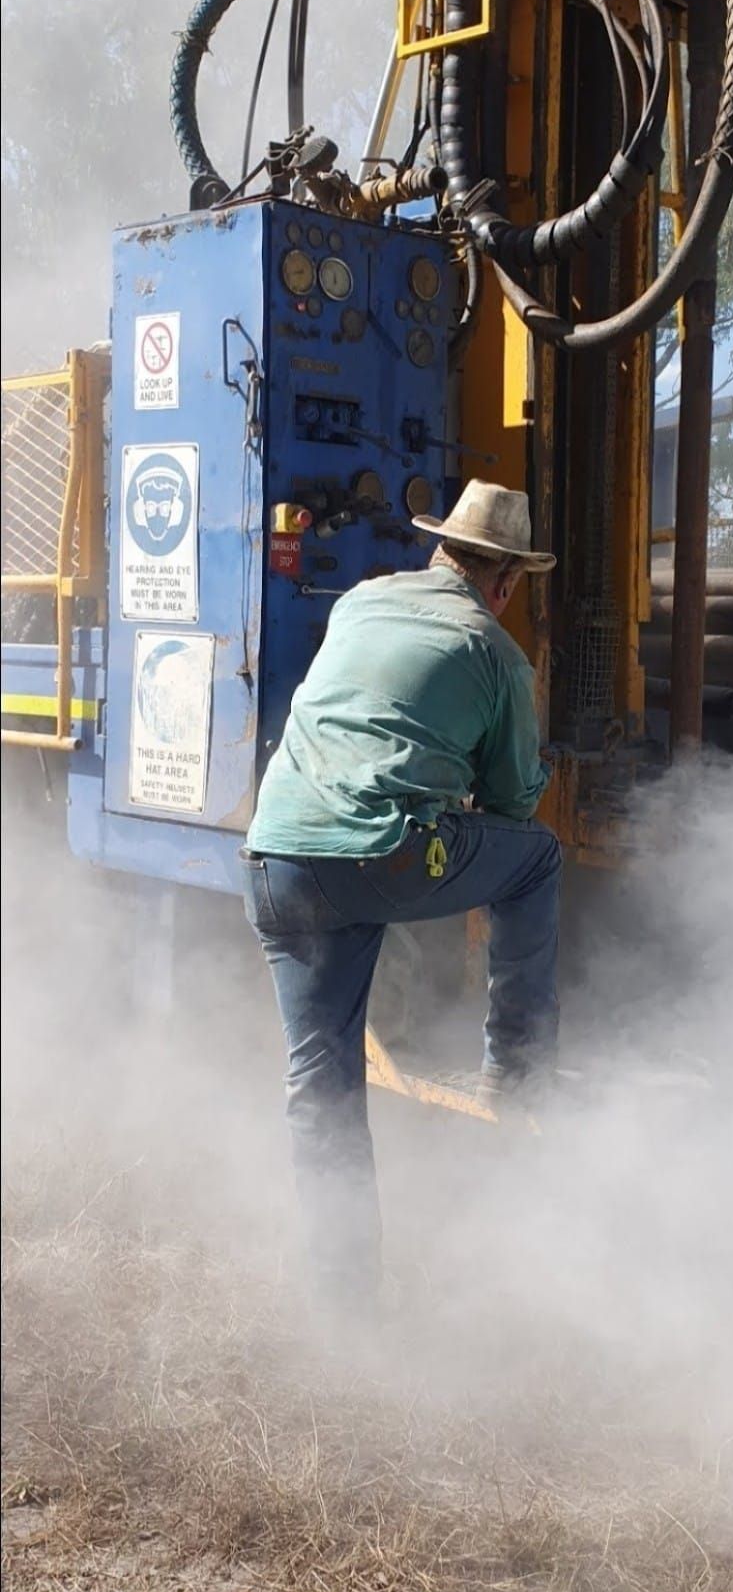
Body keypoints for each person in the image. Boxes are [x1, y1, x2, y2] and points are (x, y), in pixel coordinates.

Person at [239, 480, 561, 1310]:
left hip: (276, 857)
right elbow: (516, 806)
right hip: (376, 859)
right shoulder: (494, 652)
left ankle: (342, 1309)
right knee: (536, 860)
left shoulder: (360, 602)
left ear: (439, 549)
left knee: (322, 1084)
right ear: (507, 581)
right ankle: (519, 1073)